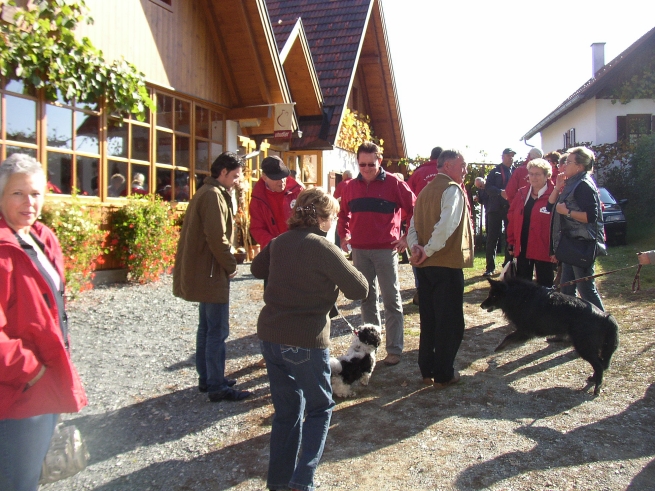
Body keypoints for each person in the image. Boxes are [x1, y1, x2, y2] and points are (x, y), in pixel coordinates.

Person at [252, 188, 368, 491]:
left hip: (271, 336)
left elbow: (256, 268)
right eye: (334, 216)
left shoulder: (279, 242)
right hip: (305, 339)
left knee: (288, 411)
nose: (334, 221)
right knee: (319, 407)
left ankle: (278, 483)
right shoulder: (322, 247)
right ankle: (302, 481)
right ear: (323, 218)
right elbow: (360, 289)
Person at [0, 154, 87, 491]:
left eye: (36, 193)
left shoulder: (40, 237)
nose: (29, 202)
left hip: (47, 380)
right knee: (17, 480)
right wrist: (32, 371)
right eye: (17, 193)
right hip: (19, 389)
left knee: (33, 476)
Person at [173, 152, 251, 402]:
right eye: (236, 175)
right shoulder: (213, 195)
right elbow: (217, 238)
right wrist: (230, 265)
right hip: (211, 271)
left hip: (206, 270)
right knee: (217, 330)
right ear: (224, 172)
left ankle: (208, 378)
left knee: (206, 328)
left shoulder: (209, 192)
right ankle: (216, 385)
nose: (238, 180)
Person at [338, 141, 416, 366]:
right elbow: (343, 215)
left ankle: (394, 350)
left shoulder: (394, 183)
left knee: (391, 300)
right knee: (366, 299)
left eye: (370, 164)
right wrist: (343, 237)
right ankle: (369, 350)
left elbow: (414, 209)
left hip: (385, 249)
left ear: (379, 161)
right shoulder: (350, 186)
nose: (366, 169)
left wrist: (406, 237)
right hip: (360, 250)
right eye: (362, 164)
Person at [407, 149, 474, 388]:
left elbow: (412, 226)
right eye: (462, 165)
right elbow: (447, 225)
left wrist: (416, 249)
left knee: (429, 319)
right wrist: (428, 249)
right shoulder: (452, 190)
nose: (465, 170)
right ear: (447, 166)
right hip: (444, 265)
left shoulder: (424, 191)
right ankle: (443, 374)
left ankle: (426, 370)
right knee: (450, 322)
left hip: (425, 266)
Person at [549, 146, 605, 311]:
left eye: (569, 162)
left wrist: (567, 212)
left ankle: (604, 327)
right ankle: (566, 331)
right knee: (566, 288)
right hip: (570, 243)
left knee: (586, 288)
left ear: (580, 166)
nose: (564, 164)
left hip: (581, 244)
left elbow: (590, 217)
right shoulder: (571, 183)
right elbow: (550, 205)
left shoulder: (583, 185)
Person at [506, 158, 556, 287]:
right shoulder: (522, 193)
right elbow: (512, 217)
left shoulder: (555, 194)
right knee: (523, 287)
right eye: (531, 174)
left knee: (545, 287)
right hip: (523, 246)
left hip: (544, 248)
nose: (533, 177)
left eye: (538, 174)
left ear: (547, 176)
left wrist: (556, 249)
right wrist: (511, 241)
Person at [249, 155, 305, 250]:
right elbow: (257, 228)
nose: (282, 181)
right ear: (264, 177)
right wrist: (274, 244)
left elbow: (308, 219)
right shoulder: (258, 198)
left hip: (298, 246)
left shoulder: (298, 191)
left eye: (283, 176)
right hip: (273, 249)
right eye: (276, 178)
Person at [482, 147, 515, 276]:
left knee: (509, 237)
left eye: (512, 156)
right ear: (503, 157)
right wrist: (500, 192)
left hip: (509, 209)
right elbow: (488, 187)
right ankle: (490, 267)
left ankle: (507, 265)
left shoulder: (514, 171)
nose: (510, 158)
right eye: (508, 155)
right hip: (495, 209)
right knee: (492, 238)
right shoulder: (495, 171)